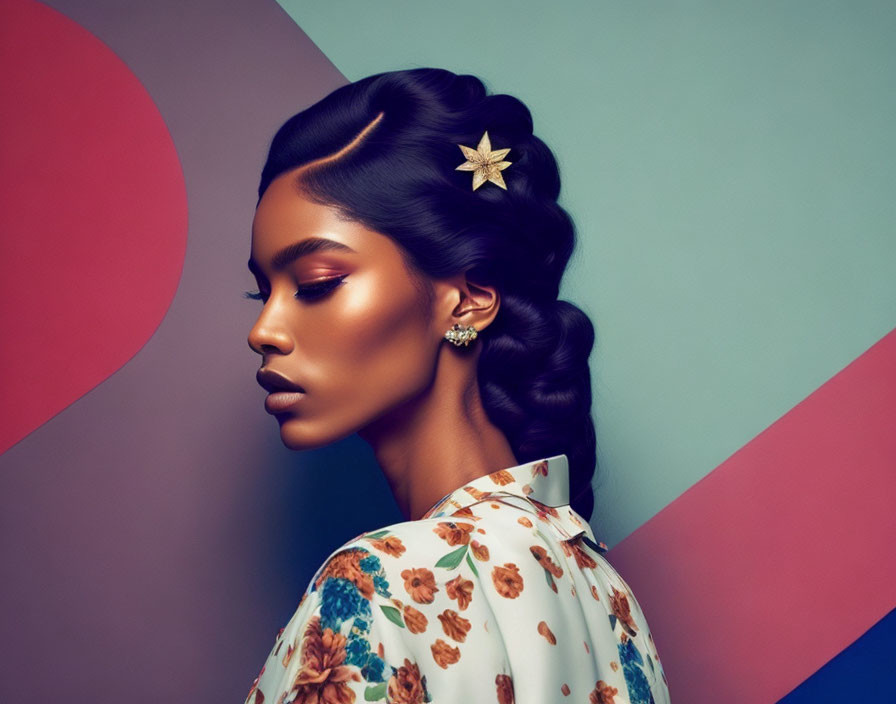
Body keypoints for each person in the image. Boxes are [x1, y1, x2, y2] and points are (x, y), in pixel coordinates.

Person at [243, 67, 670, 704]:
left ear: (467, 300)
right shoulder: (606, 591)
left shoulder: (376, 581)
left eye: (315, 283)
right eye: (262, 291)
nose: (263, 329)